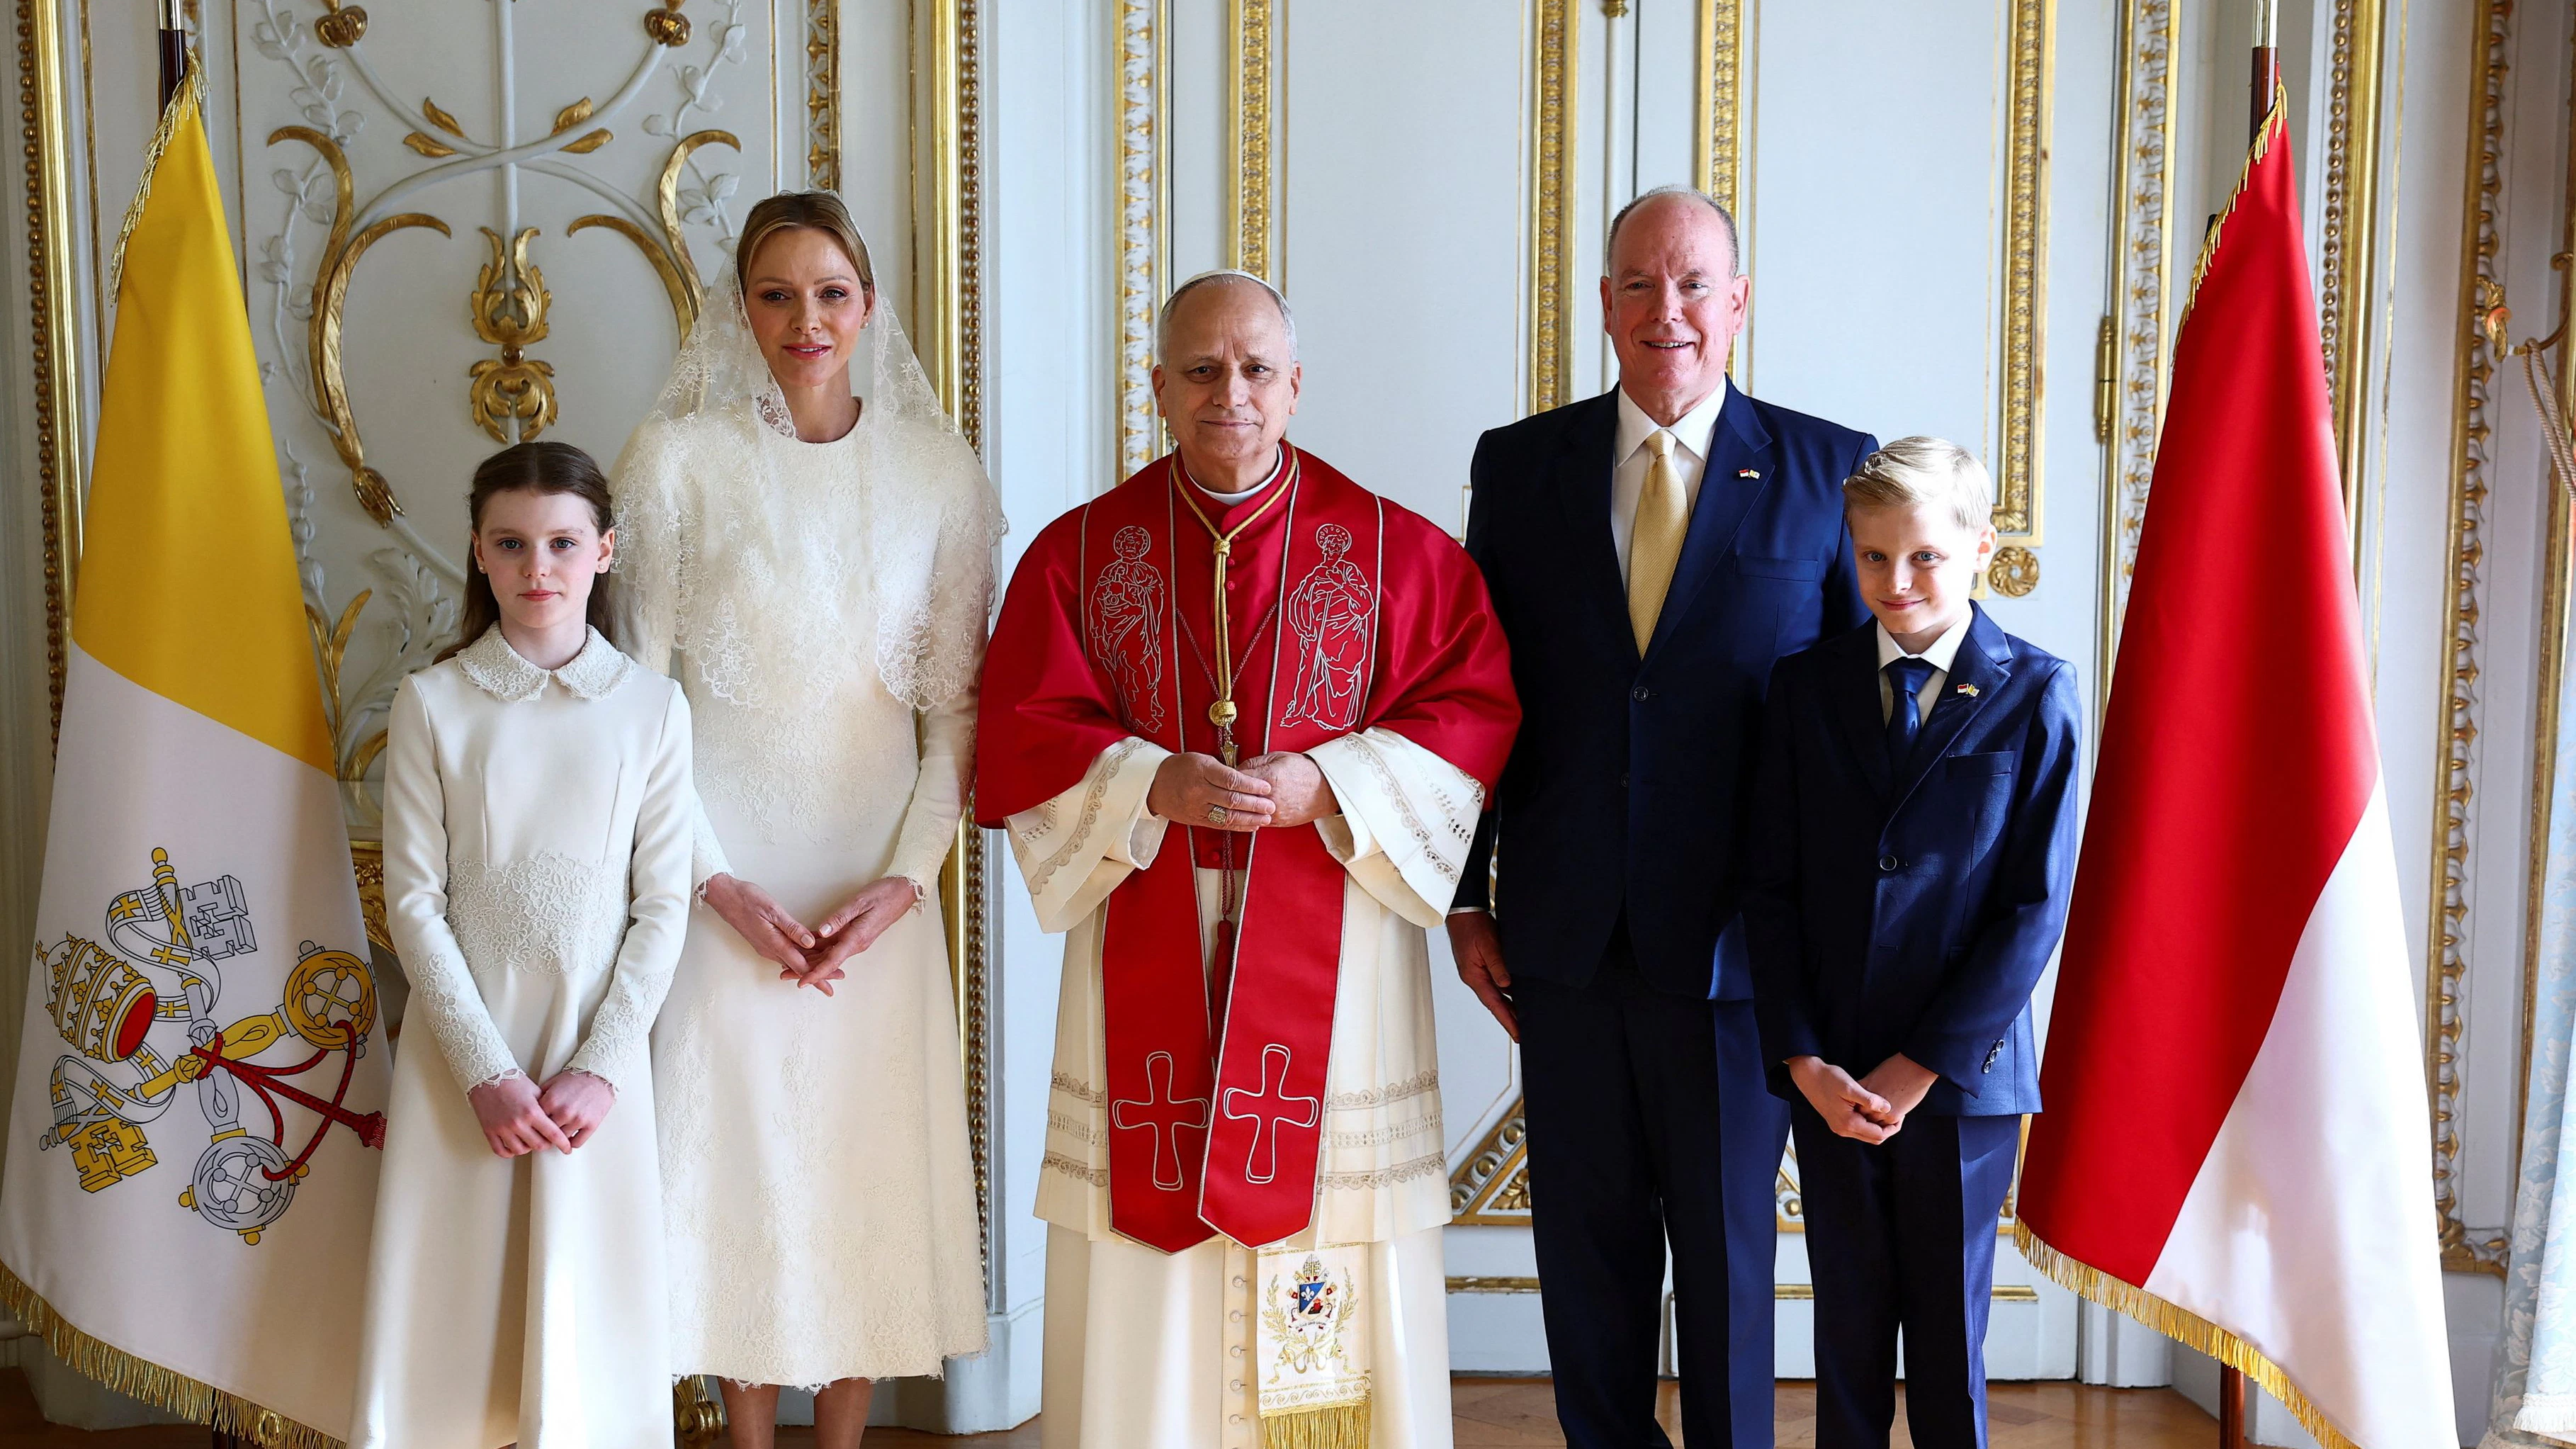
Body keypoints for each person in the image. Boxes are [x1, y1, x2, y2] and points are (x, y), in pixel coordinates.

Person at [977, 270, 1520, 1449]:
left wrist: (1330, 783)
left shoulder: (1396, 553)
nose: (1233, 394)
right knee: (1147, 1216)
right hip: (1144, 911)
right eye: (1204, 371)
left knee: (1327, 1223)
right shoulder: (1082, 553)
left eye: (1256, 369)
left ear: (1295, 385)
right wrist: (1147, 781)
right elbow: (1022, 728)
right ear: (1160, 386)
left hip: (1334, 936)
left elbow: (1471, 713)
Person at [1449, 184, 1879, 1449]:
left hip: (1742, 953)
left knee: (1733, 1270)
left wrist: (1845, 948)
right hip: (1565, 939)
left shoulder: (1825, 466)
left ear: (1738, 304)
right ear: (1605, 304)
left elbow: (1851, 731)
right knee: (1587, 1274)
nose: (1667, 311)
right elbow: (1481, 696)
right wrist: (1471, 891)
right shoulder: (1518, 466)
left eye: (1695, 285)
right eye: (1640, 284)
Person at [613, 191, 1002, 1448]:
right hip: (722, 881)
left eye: (831, 292)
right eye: (777, 294)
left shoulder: (940, 474)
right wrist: (713, 884)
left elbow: (956, 722)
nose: (806, 319)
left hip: (870, 888)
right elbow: (640, 705)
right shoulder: (673, 464)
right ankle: (740, 1433)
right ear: (742, 312)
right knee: (734, 1163)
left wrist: (904, 884)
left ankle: (840, 1438)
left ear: (870, 306)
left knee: (855, 1165)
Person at [354, 441, 694, 1449]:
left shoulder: (650, 708)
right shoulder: (434, 704)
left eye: (560, 542)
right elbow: (413, 902)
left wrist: (600, 1067)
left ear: (604, 551)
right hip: (468, 1060)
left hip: (595, 1060)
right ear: (478, 554)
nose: (537, 567)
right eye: (511, 544)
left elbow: (662, 907)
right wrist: (484, 1071)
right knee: (454, 1310)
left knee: (589, 1308)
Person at [1744, 437, 2079, 1449]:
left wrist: (1922, 1065)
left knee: (1946, 1339)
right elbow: (1770, 886)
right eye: (1873, 557)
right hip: (1833, 1073)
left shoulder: (2034, 691)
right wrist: (1802, 1056)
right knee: (1846, 1330)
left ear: (1980, 548)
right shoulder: (1806, 689)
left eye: (1925, 556)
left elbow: (2035, 907)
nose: (1897, 583)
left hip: (1962, 1083)